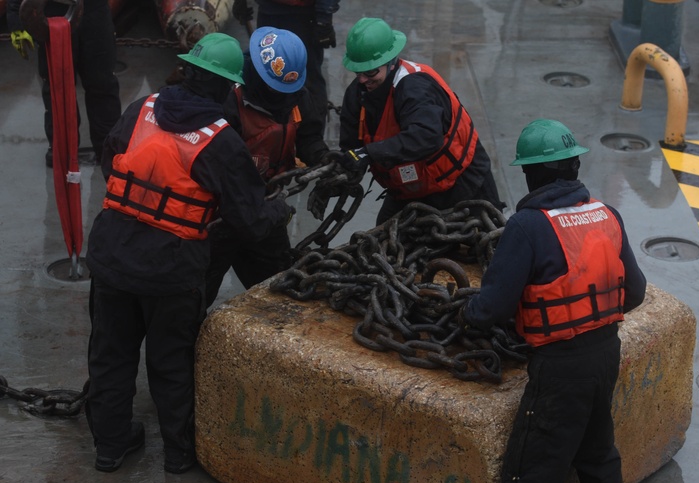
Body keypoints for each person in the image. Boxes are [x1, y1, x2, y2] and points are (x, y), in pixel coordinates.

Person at [458, 119, 647, 483]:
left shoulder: (527, 227)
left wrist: (464, 309)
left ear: (530, 178)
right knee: (598, 454)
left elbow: (493, 307)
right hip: (605, 353)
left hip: (560, 368)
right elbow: (636, 292)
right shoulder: (606, 214)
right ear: (576, 165)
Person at [84, 33, 293, 474]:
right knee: (171, 363)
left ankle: (110, 446)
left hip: (113, 255)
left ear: (188, 70)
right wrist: (279, 208)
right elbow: (251, 222)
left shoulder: (141, 110)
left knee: (110, 356)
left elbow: (110, 159)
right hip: (172, 272)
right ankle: (179, 455)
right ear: (226, 87)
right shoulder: (220, 141)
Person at [205, 27, 329, 308]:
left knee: (277, 291)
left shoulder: (296, 94)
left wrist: (322, 158)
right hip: (220, 214)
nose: (283, 98)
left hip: (266, 205)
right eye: (277, 90)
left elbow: (308, 136)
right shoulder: (229, 100)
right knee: (197, 292)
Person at [337, 17, 504, 224]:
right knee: (380, 247)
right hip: (410, 190)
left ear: (391, 62)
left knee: (484, 248)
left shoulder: (415, 88)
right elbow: (351, 147)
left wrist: (370, 153)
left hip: (462, 184)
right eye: (358, 72)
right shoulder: (357, 93)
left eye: (371, 72)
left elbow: (426, 135)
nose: (363, 79)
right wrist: (341, 173)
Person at [7, 0, 121, 167]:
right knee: (57, 88)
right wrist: (17, 21)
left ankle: (108, 149)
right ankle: (62, 150)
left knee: (103, 84)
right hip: (52, 15)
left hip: (95, 13)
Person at [232, 0, 340, 129]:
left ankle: (312, 136)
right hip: (268, 11)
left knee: (304, 77)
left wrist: (324, 19)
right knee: (265, 74)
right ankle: (270, 135)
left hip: (302, 16)